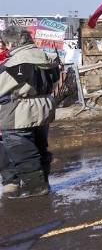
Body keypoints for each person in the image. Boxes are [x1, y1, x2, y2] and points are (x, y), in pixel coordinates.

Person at [0, 32, 60, 198]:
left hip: (18, 113)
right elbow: (55, 82)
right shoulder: (46, 58)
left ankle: (36, 187)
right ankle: (43, 182)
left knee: (22, 150)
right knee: (40, 147)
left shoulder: (16, 63)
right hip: (44, 109)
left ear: (11, 44)